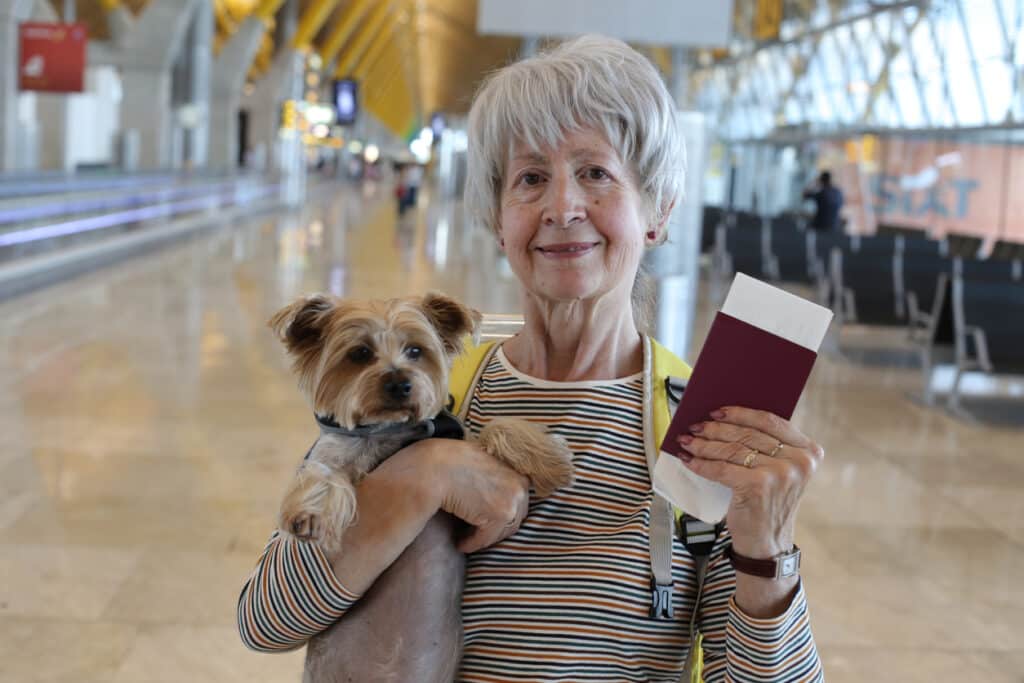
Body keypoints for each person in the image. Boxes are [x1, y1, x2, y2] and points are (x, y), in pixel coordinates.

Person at [239, 35, 824, 682]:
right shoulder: (433, 397)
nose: (562, 207)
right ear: (497, 218)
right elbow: (267, 618)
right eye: (531, 178)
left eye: (596, 173)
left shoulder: (702, 421)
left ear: (657, 210)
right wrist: (426, 471)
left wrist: (765, 553)